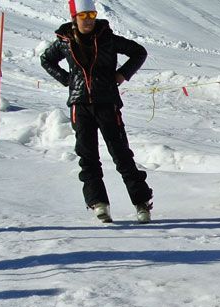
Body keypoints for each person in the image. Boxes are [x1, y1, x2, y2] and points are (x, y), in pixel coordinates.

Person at [41, 0, 154, 224]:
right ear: (75, 17)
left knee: (121, 154)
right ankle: (99, 203)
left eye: (92, 14)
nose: (89, 20)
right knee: (88, 156)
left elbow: (139, 52)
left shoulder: (107, 37)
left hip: (107, 103)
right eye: (84, 16)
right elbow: (47, 60)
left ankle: (141, 203)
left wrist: (122, 74)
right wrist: (68, 80)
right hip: (80, 105)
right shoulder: (64, 41)